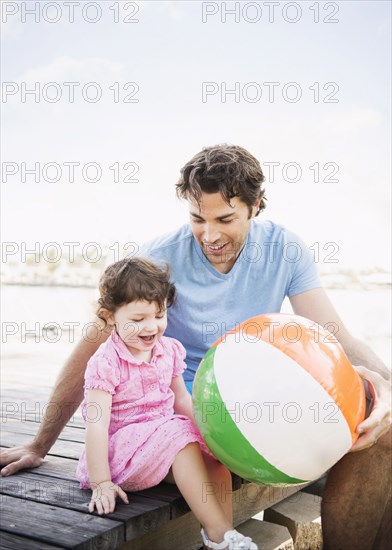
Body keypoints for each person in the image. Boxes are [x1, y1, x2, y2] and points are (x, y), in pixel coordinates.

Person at [1, 145, 391, 549]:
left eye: (225, 219)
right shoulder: (156, 259)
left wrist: (389, 388)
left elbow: (338, 337)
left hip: (260, 398)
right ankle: (221, 536)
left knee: (385, 430)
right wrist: (40, 443)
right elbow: (91, 352)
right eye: (196, 218)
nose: (209, 235)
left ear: (256, 207)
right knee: (196, 451)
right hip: (186, 410)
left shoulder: (284, 250)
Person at [75, 256, 257, 549]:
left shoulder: (169, 350)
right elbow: (96, 425)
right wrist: (101, 482)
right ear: (110, 317)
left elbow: (182, 399)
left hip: (162, 448)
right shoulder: (105, 363)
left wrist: (212, 438)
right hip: (123, 455)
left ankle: (224, 537)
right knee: (181, 439)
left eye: (159, 315)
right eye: (137, 320)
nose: (151, 327)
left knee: (212, 458)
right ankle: (219, 534)